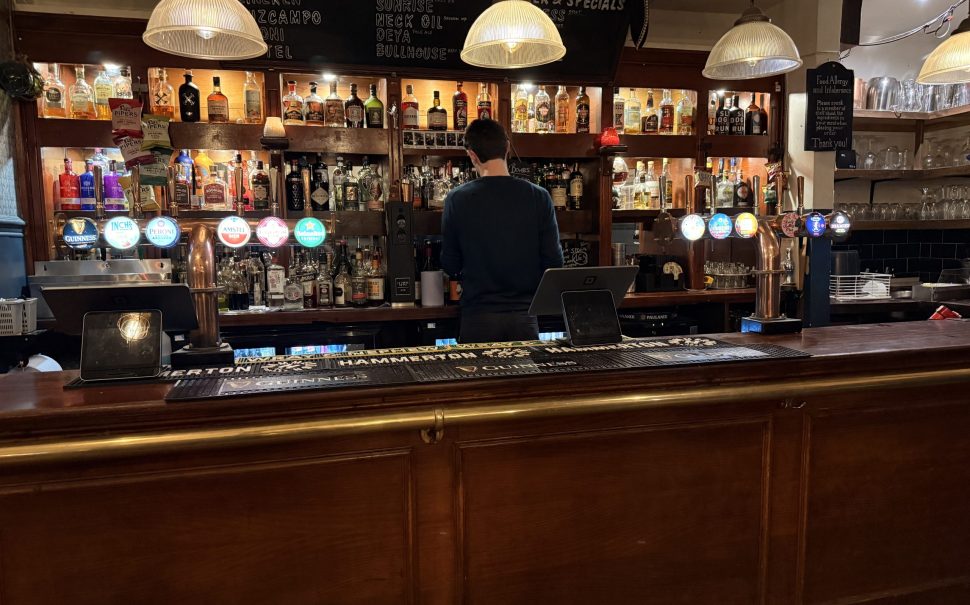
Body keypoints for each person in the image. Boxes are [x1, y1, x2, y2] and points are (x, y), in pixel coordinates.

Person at [440, 119, 564, 343]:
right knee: (524, 368)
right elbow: (554, 263)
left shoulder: (457, 199)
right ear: (507, 147)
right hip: (525, 316)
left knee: (479, 368)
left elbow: (450, 264)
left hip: (477, 317)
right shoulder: (539, 196)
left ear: (472, 156)